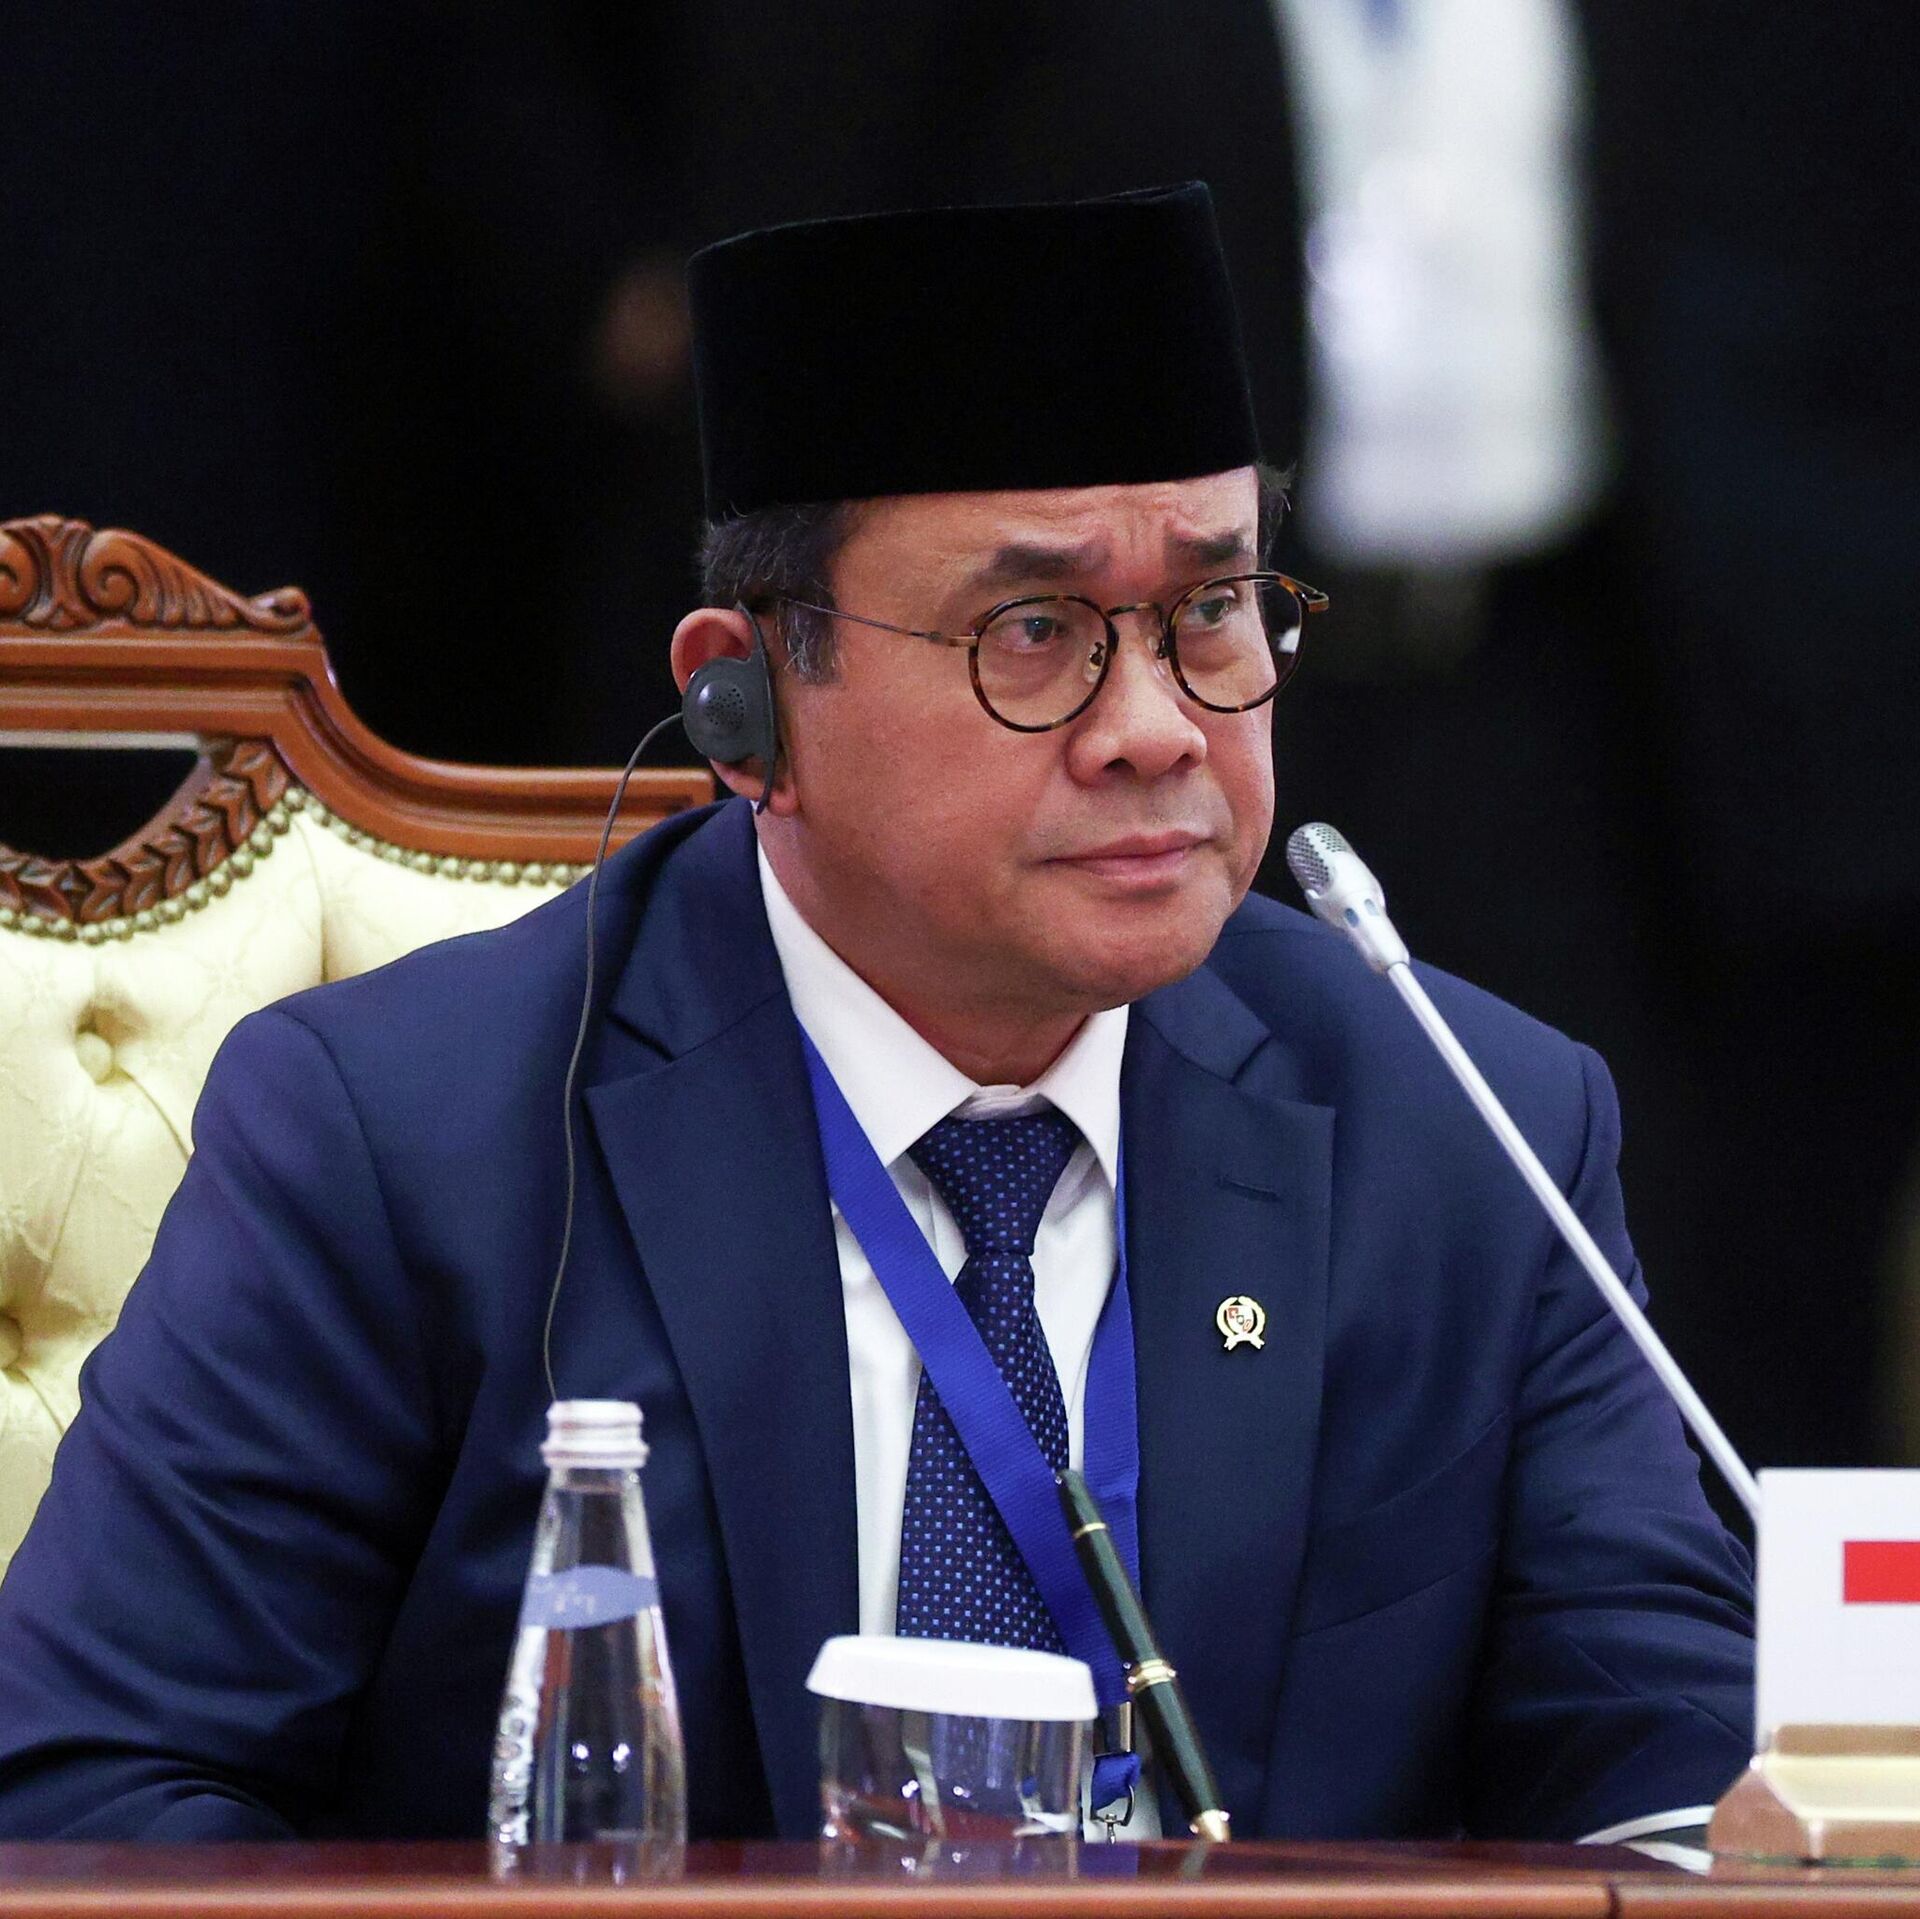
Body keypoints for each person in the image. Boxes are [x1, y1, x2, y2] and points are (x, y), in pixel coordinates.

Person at [0, 185, 1751, 1843]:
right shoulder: (400, 1144)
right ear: (745, 704)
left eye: (1213, 610)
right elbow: (91, 1792)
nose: (1158, 727)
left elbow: (1676, 1788)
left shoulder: (1471, 1130)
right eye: (1036, 631)